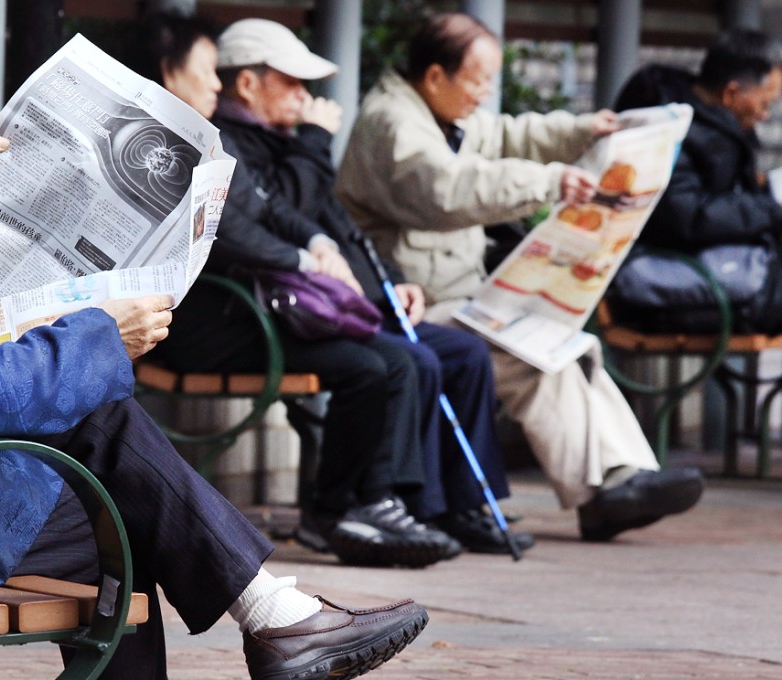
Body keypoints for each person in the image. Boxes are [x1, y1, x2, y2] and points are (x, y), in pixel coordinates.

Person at [0, 7, 429, 680]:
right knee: (116, 506)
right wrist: (102, 336)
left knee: (107, 454)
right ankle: (277, 617)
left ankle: (279, 618)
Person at [335, 11, 705, 542]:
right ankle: (605, 490)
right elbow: (448, 189)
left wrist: (585, 130)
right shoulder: (392, 125)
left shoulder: (440, 113)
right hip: (409, 304)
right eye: (478, 80)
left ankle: (623, 477)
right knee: (533, 356)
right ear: (435, 76)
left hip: (457, 296)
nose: (485, 93)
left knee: (568, 344)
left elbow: (511, 134)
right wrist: (550, 182)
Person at [123, 11, 477, 566]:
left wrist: (316, 244)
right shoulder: (162, 145)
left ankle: (360, 506)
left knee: (385, 362)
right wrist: (305, 258)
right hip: (207, 324)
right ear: (170, 72)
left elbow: (270, 210)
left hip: (244, 313)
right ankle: (342, 509)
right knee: (372, 366)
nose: (216, 82)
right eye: (207, 70)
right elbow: (228, 232)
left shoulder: (204, 137)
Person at [195, 16, 535, 556]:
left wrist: (393, 281)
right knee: (399, 362)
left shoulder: (286, 140)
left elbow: (336, 227)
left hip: (331, 303)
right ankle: (379, 506)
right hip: (265, 312)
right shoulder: (234, 143)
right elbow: (274, 214)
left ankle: (460, 504)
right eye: (293, 82)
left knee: (464, 354)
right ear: (248, 83)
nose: (306, 96)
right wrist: (312, 144)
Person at [610, 29, 782, 333]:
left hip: (700, 259)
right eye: (765, 103)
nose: (765, 114)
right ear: (731, 94)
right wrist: (771, 206)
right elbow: (687, 217)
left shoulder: (712, 121)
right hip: (662, 267)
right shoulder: (668, 129)